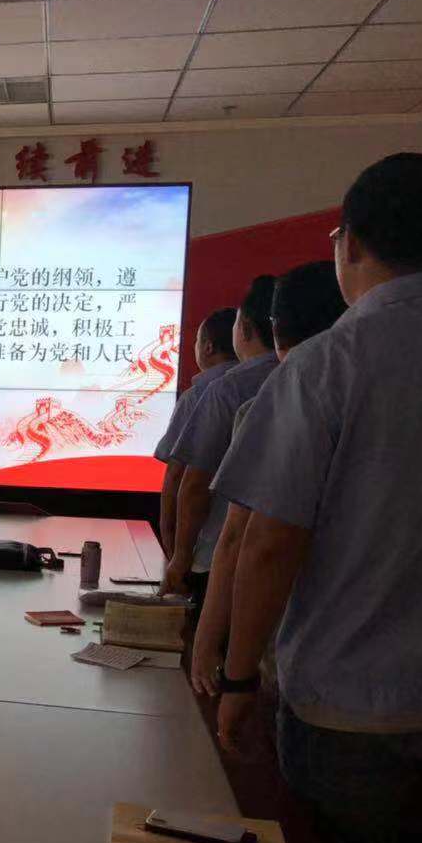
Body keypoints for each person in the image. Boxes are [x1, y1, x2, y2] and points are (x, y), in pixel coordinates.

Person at [212, 153, 422, 843]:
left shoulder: (329, 362)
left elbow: (269, 540)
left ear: (348, 243)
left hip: (346, 711)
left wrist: (237, 678)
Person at [189, 262, 346, 703]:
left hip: (299, 649)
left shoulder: (268, 402)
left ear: (273, 328)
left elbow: (247, 540)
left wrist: (226, 666)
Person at [160, 275, 278, 599]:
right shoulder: (303, 378)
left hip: (217, 556)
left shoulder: (225, 389)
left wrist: (177, 556)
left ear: (246, 329)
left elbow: (189, 482)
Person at [156, 307, 237, 560]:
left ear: (208, 347)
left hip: (201, 546)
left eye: (197, 341)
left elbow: (177, 477)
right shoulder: (265, 384)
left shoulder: (199, 395)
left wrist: (173, 551)